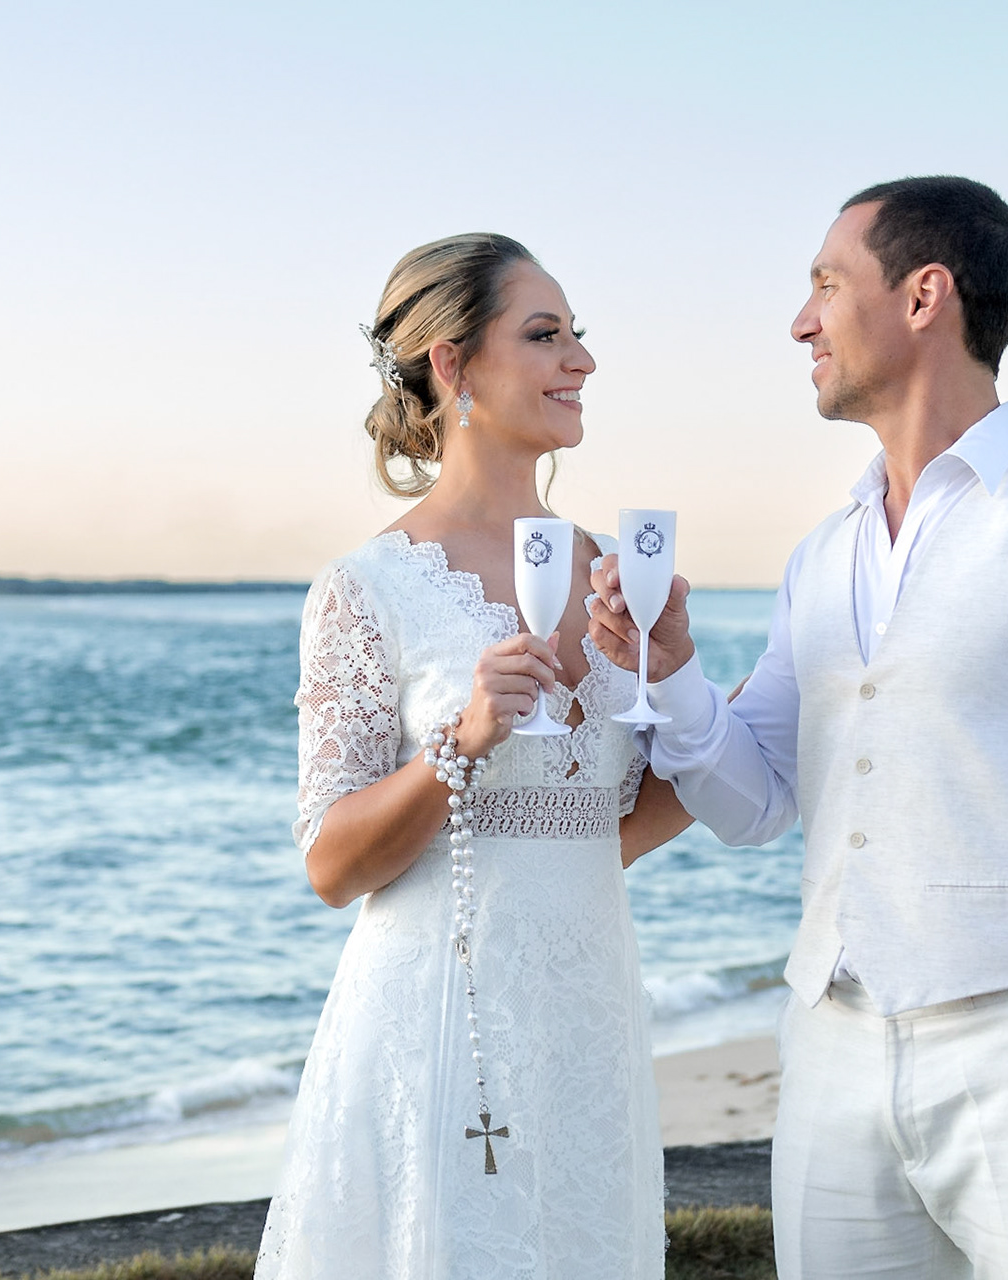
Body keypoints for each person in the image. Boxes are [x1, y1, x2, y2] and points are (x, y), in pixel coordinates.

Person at [588, 177, 1008, 1277]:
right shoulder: (823, 556)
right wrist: (674, 674)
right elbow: (756, 805)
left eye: (825, 285)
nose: (800, 322)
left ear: (922, 296)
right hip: (831, 1056)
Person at [256, 233, 690, 1279]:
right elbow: (332, 865)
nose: (580, 359)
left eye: (576, 334)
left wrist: (676, 678)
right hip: (440, 1035)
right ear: (453, 364)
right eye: (544, 335)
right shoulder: (369, 589)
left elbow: (625, 822)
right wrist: (463, 741)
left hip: (587, 1029)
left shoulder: (619, 573)